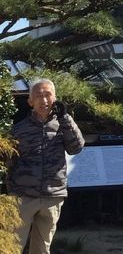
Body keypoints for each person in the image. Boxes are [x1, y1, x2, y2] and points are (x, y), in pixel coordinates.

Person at [6, 78, 84, 254]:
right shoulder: (19, 129)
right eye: (38, 95)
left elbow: (76, 148)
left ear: (55, 98)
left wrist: (65, 118)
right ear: (30, 101)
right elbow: (8, 160)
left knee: (42, 249)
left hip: (52, 196)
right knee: (12, 246)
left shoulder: (63, 124)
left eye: (48, 94)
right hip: (23, 196)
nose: (44, 100)